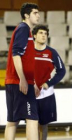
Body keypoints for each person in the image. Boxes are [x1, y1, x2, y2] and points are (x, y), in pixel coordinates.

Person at [5, 3, 40, 140]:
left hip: (15, 82)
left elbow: (26, 61)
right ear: (27, 15)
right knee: (32, 119)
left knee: (12, 122)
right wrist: (23, 80)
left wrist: (34, 81)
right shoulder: (23, 29)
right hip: (19, 82)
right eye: (35, 13)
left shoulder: (24, 30)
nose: (38, 15)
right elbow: (16, 54)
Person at [32, 25, 66, 140]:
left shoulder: (52, 52)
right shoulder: (28, 52)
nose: (43, 35)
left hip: (46, 94)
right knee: (32, 124)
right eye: (41, 33)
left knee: (44, 125)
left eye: (45, 34)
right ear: (34, 35)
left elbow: (62, 71)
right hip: (30, 94)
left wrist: (48, 83)